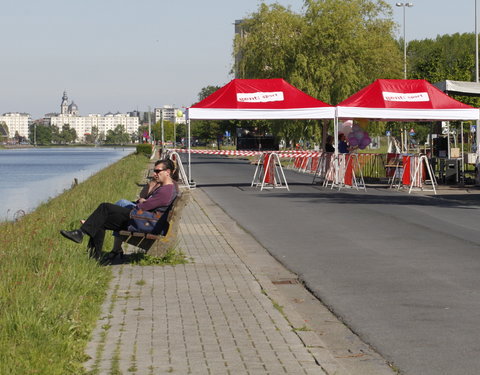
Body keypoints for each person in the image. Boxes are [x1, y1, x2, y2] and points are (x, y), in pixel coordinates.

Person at [60, 159, 178, 260]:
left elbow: (142, 206)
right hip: (146, 220)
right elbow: (147, 203)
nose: (155, 174)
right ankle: (93, 256)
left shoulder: (165, 191)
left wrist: (142, 201)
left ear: (167, 172)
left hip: (146, 222)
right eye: (154, 171)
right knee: (101, 221)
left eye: (157, 171)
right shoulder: (168, 186)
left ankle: (81, 233)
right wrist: (144, 200)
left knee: (105, 207)